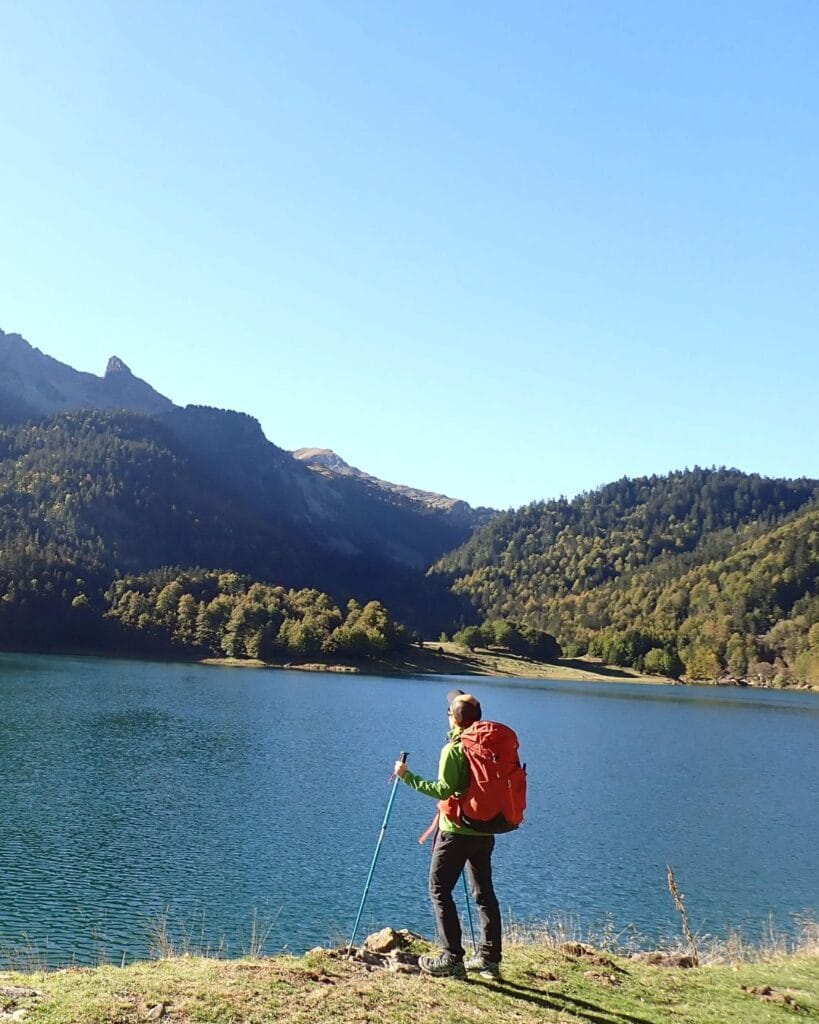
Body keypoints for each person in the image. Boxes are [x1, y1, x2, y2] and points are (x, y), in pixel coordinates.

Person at [393, 688, 502, 980]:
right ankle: (490, 960)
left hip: (456, 831)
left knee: (439, 889)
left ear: (453, 720)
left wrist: (407, 777)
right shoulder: (488, 746)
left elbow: (443, 790)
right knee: (484, 893)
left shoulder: (454, 750)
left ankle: (452, 958)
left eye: (449, 713)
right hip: (485, 830)